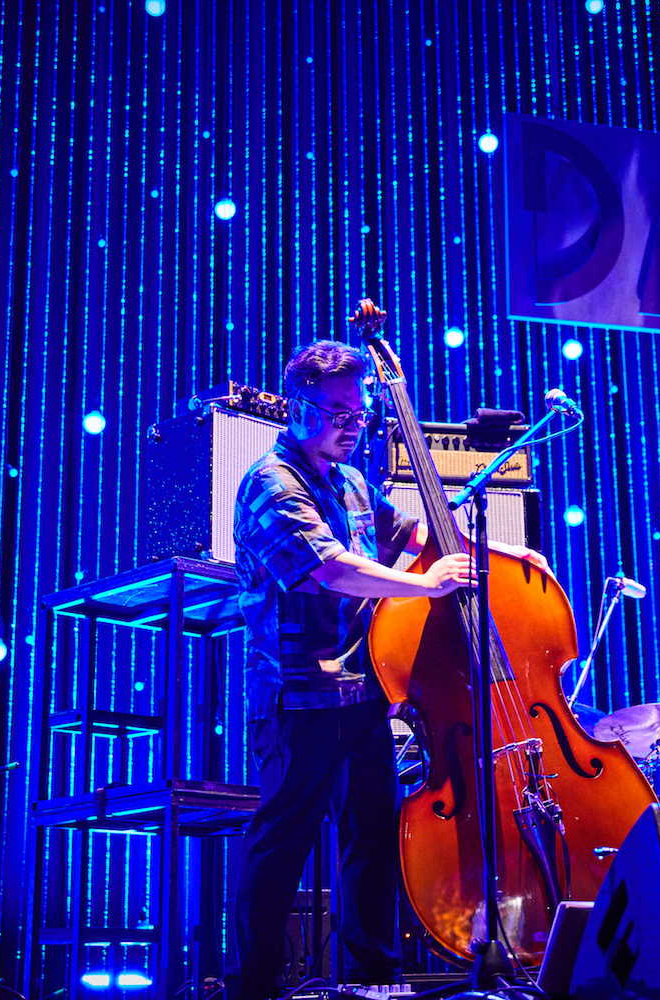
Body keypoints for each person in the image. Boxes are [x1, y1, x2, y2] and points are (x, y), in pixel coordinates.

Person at [229, 337, 544, 999]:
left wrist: (509, 552)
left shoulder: (349, 480)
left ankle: (376, 979)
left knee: (371, 837)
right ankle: (253, 985)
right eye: (341, 415)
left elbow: (415, 534)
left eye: (361, 416)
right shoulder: (270, 484)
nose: (354, 428)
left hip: (364, 693)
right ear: (299, 406)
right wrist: (426, 587)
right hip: (299, 696)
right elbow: (331, 570)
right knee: (282, 843)